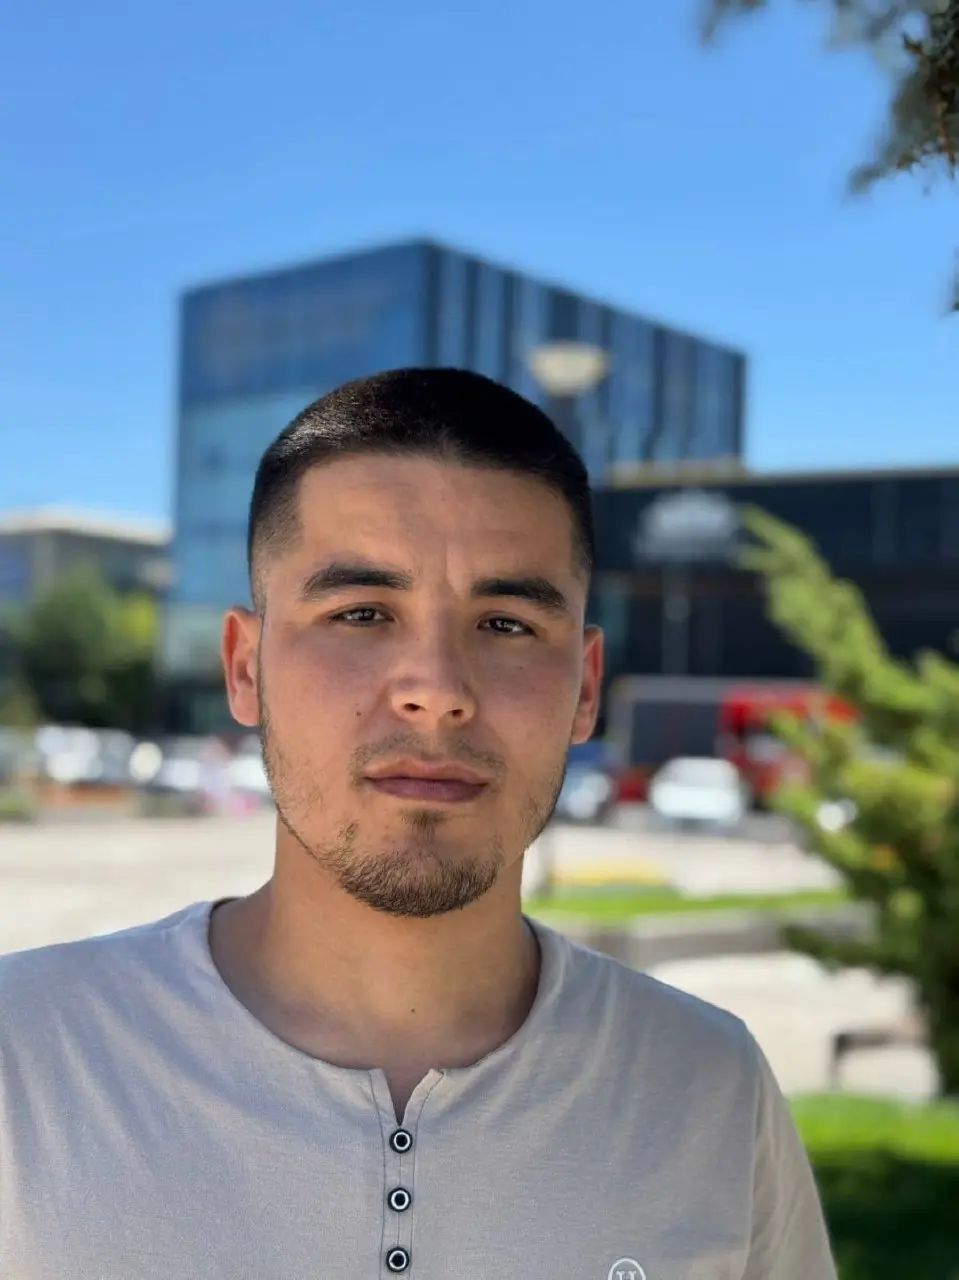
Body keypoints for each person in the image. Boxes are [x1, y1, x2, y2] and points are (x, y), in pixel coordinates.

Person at [0, 368, 837, 1280]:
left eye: (506, 624)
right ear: (245, 669)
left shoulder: (712, 1091)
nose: (435, 691)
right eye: (360, 613)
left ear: (585, 687)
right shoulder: (25, 1059)